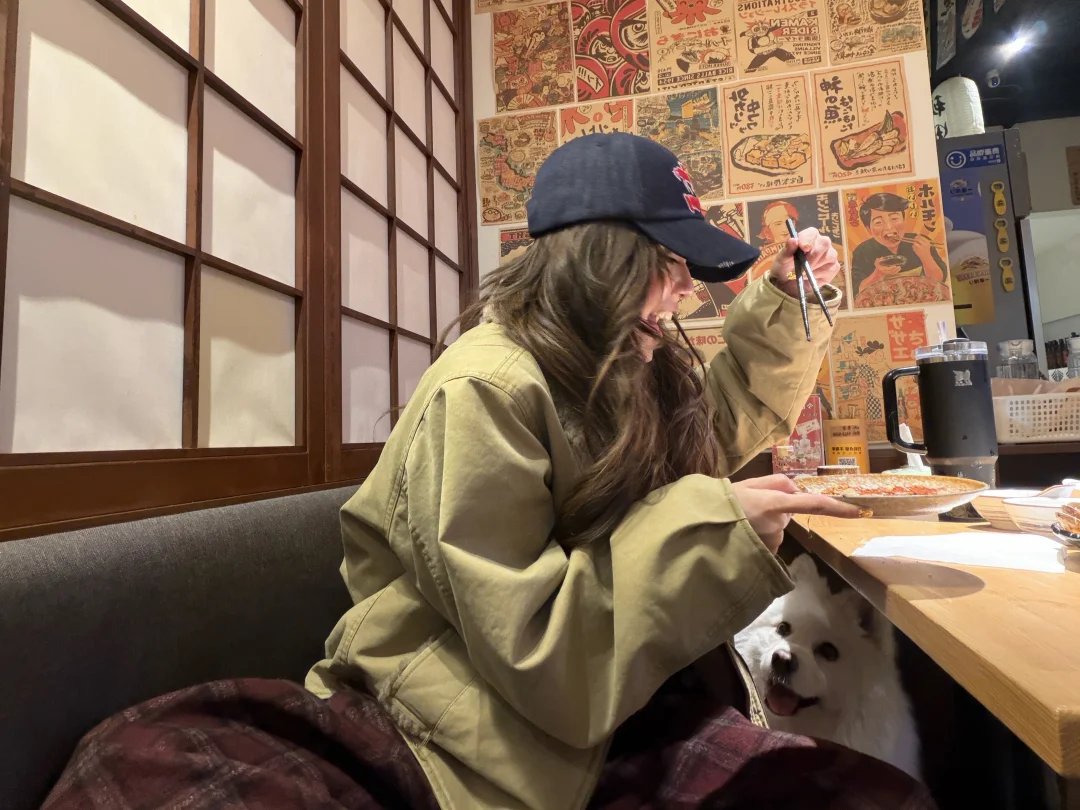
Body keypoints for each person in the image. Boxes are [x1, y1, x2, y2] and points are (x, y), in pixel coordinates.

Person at [42, 134, 935, 810]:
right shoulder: (487, 387)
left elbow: (718, 426)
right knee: (145, 774)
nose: (686, 291)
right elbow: (534, 649)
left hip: (609, 714)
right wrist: (714, 532)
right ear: (599, 259)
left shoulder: (631, 368)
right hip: (446, 726)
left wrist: (784, 299)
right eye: (669, 266)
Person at [850, 192, 948, 296]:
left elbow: (940, 280)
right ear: (869, 229)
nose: (889, 227)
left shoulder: (921, 242)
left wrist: (926, 256)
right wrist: (877, 274)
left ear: (904, 220)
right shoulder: (862, 252)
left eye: (894, 218)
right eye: (878, 222)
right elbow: (857, 291)